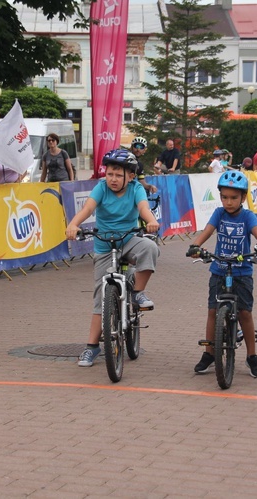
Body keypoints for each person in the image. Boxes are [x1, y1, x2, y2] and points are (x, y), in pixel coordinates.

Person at [65, 149, 160, 367]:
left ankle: (137, 293)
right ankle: (91, 347)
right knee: (100, 298)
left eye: (118, 175)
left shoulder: (136, 189)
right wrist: (73, 224)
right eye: (110, 174)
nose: (113, 179)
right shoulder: (101, 188)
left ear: (131, 176)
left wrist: (151, 221)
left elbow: (143, 208)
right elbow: (88, 208)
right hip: (105, 245)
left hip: (128, 240)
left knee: (149, 248)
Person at [187, 170, 257, 377]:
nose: (229, 202)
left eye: (234, 198)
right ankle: (209, 353)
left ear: (243, 198)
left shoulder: (247, 216)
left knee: (245, 313)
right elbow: (207, 231)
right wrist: (195, 246)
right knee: (212, 312)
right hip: (218, 269)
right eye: (224, 197)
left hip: (242, 272)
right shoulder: (219, 213)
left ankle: (252, 356)